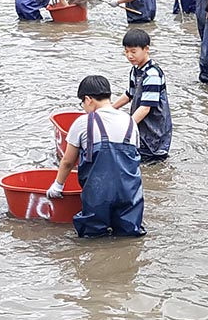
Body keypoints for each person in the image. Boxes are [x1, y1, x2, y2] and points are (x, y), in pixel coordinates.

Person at [47, 74, 145, 238]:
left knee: (92, 238)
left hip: (98, 194)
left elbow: (67, 161)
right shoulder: (130, 122)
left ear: (88, 99)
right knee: (129, 237)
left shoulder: (82, 122)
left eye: (82, 103)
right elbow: (133, 158)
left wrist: (58, 185)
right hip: (129, 192)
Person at [113, 27, 172, 162]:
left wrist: (127, 127)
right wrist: (109, 109)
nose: (129, 56)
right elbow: (129, 94)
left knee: (152, 161)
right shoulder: (135, 70)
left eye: (133, 51)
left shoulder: (153, 74)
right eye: (126, 51)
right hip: (141, 125)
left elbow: (146, 107)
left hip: (154, 129)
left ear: (146, 49)